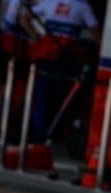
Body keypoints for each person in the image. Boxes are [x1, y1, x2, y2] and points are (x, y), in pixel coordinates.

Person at [20, 0, 100, 141]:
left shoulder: (50, 3)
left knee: (42, 98)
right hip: (66, 60)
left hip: (46, 56)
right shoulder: (82, 7)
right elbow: (97, 34)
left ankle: (39, 134)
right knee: (62, 98)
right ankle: (54, 133)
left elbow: (24, 17)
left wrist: (35, 36)